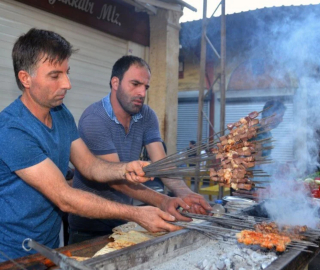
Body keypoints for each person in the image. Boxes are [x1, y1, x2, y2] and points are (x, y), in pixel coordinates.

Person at [0, 29, 182, 266]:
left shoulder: (60, 113)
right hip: (6, 255)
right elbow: (65, 198)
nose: (67, 84)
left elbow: (89, 165)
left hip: (48, 248)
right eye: (55, 76)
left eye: (67, 73)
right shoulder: (12, 130)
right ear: (26, 78)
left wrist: (126, 168)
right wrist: (137, 213)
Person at [68, 56, 212, 244]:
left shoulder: (146, 115)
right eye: (135, 84)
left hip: (126, 220)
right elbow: (116, 179)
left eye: (145, 87)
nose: (142, 93)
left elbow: (163, 165)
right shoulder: (94, 119)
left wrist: (185, 194)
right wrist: (162, 201)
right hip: (90, 226)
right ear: (115, 82)